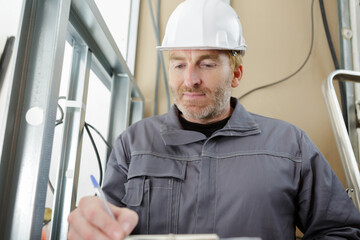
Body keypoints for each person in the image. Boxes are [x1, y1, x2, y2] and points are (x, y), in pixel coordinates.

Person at [68, 0, 360, 239]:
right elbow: (105, 225)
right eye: (179, 64)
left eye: (206, 64)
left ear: (235, 74)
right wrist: (89, 228)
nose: (190, 79)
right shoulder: (133, 143)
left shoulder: (290, 145)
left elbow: (341, 230)